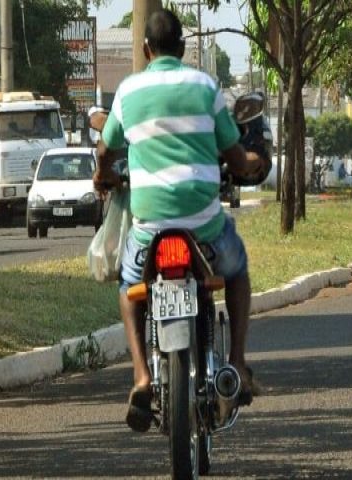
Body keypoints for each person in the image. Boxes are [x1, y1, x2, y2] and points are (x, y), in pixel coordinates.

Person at [93, 8, 264, 433]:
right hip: (204, 228)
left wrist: (103, 176)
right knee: (237, 270)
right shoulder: (205, 87)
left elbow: (105, 148)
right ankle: (238, 363)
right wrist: (252, 161)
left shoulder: (130, 92)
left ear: (146, 49)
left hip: (150, 229)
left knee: (130, 289)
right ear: (184, 49)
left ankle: (141, 376)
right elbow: (237, 158)